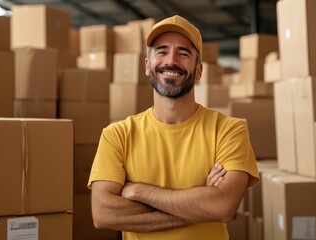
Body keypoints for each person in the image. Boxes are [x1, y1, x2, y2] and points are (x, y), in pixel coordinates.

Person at [87, 15, 260, 240]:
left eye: (183, 53)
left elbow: (223, 206)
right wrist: (200, 206)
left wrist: (138, 191)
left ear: (199, 70)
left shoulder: (228, 130)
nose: (171, 60)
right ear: (148, 66)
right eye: (161, 51)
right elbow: (103, 214)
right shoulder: (117, 135)